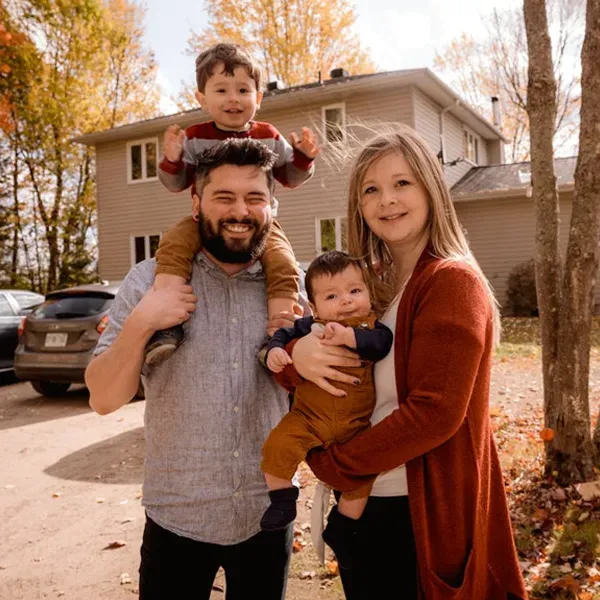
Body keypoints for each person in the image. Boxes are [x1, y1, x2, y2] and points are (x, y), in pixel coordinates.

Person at [275, 125, 529, 599]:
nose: (386, 200)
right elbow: (310, 360)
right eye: (371, 189)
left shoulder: (451, 281)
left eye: (402, 183)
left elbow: (435, 412)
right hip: (370, 506)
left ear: (431, 188)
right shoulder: (371, 286)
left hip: (415, 515)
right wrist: (297, 352)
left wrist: (334, 465)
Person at [85, 139, 307, 600]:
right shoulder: (149, 280)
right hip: (176, 516)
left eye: (254, 198)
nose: (239, 211)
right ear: (195, 202)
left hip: (266, 513)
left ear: (273, 205)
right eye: (223, 197)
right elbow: (103, 398)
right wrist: (145, 319)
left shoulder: (293, 291)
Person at [147, 42, 319, 364]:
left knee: (283, 263)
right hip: (205, 222)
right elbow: (176, 183)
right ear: (201, 99)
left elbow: (289, 177)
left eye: (243, 90)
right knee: (173, 246)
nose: (233, 99)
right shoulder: (195, 138)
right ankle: (166, 324)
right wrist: (172, 160)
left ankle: (279, 334)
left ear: (259, 97)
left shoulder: (269, 135)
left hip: (261, 227)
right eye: (221, 90)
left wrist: (304, 158)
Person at [260, 250, 393, 531]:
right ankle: (282, 499)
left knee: (362, 480)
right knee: (277, 447)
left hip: (355, 426)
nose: (346, 300)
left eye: (355, 290)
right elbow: (283, 334)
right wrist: (275, 350)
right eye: (331, 296)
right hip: (308, 418)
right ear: (315, 307)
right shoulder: (311, 325)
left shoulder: (372, 326)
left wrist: (351, 336)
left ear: (368, 293)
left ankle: (343, 526)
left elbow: (382, 344)